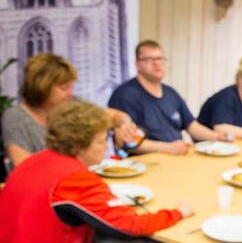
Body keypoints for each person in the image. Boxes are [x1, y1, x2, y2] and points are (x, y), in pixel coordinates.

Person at [0, 101, 194, 243]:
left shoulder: (35, 161)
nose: (106, 147)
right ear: (80, 146)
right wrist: (177, 213)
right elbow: (131, 225)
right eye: (101, 142)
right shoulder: (75, 178)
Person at [2, 53, 145, 169]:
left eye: (71, 86)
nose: (70, 93)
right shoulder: (15, 117)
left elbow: (114, 115)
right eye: (64, 88)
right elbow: (24, 167)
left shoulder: (71, 104)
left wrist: (123, 123)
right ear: (41, 87)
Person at [108, 40, 228, 155]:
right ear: (137, 64)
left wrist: (217, 137)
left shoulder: (171, 93)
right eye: (149, 59)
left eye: (160, 58)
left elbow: (192, 126)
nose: (157, 63)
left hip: (177, 158)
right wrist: (168, 148)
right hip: (145, 164)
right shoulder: (124, 95)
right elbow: (128, 141)